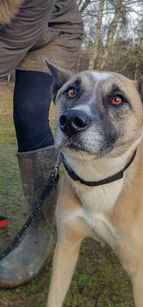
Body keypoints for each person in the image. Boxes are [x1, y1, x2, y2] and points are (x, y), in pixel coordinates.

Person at [0, 0, 83, 287]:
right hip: (11, 36)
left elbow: (8, 48)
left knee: (29, 112)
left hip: (54, 32)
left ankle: (41, 234)